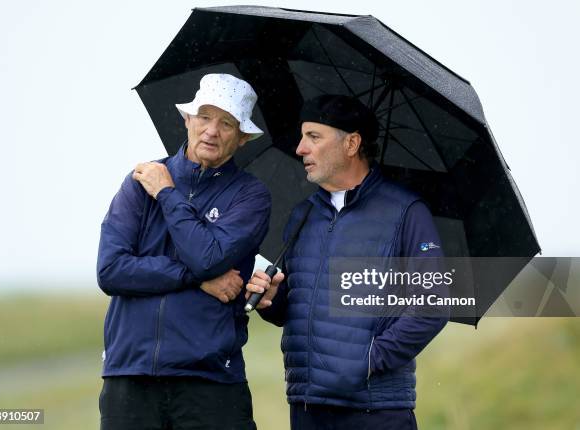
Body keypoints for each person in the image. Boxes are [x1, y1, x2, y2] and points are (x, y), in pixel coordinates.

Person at [246, 94, 448, 429]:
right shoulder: (304, 214)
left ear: (352, 142)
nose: (300, 149)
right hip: (308, 406)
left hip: (375, 410)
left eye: (313, 137)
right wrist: (271, 300)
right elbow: (292, 308)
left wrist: (370, 358)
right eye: (302, 137)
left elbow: (434, 303)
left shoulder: (406, 212)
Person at [96, 73, 271, 430]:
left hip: (210, 382)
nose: (211, 131)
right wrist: (197, 281)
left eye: (226, 123)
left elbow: (208, 258)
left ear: (241, 138)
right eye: (205, 117)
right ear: (187, 119)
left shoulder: (250, 196)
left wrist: (166, 194)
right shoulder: (139, 181)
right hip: (130, 376)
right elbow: (111, 270)